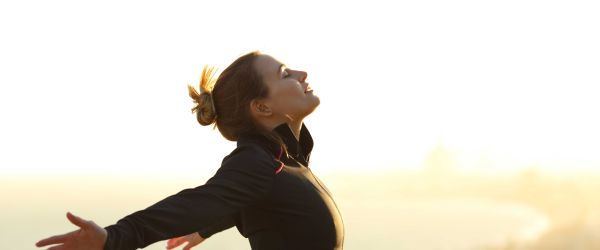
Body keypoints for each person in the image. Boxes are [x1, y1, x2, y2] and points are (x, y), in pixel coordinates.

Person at [35, 51, 344, 250]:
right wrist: (114, 239)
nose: (302, 74)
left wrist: (206, 228)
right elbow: (197, 202)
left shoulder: (285, 161)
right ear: (262, 107)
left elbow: (251, 198)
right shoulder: (259, 162)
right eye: (285, 74)